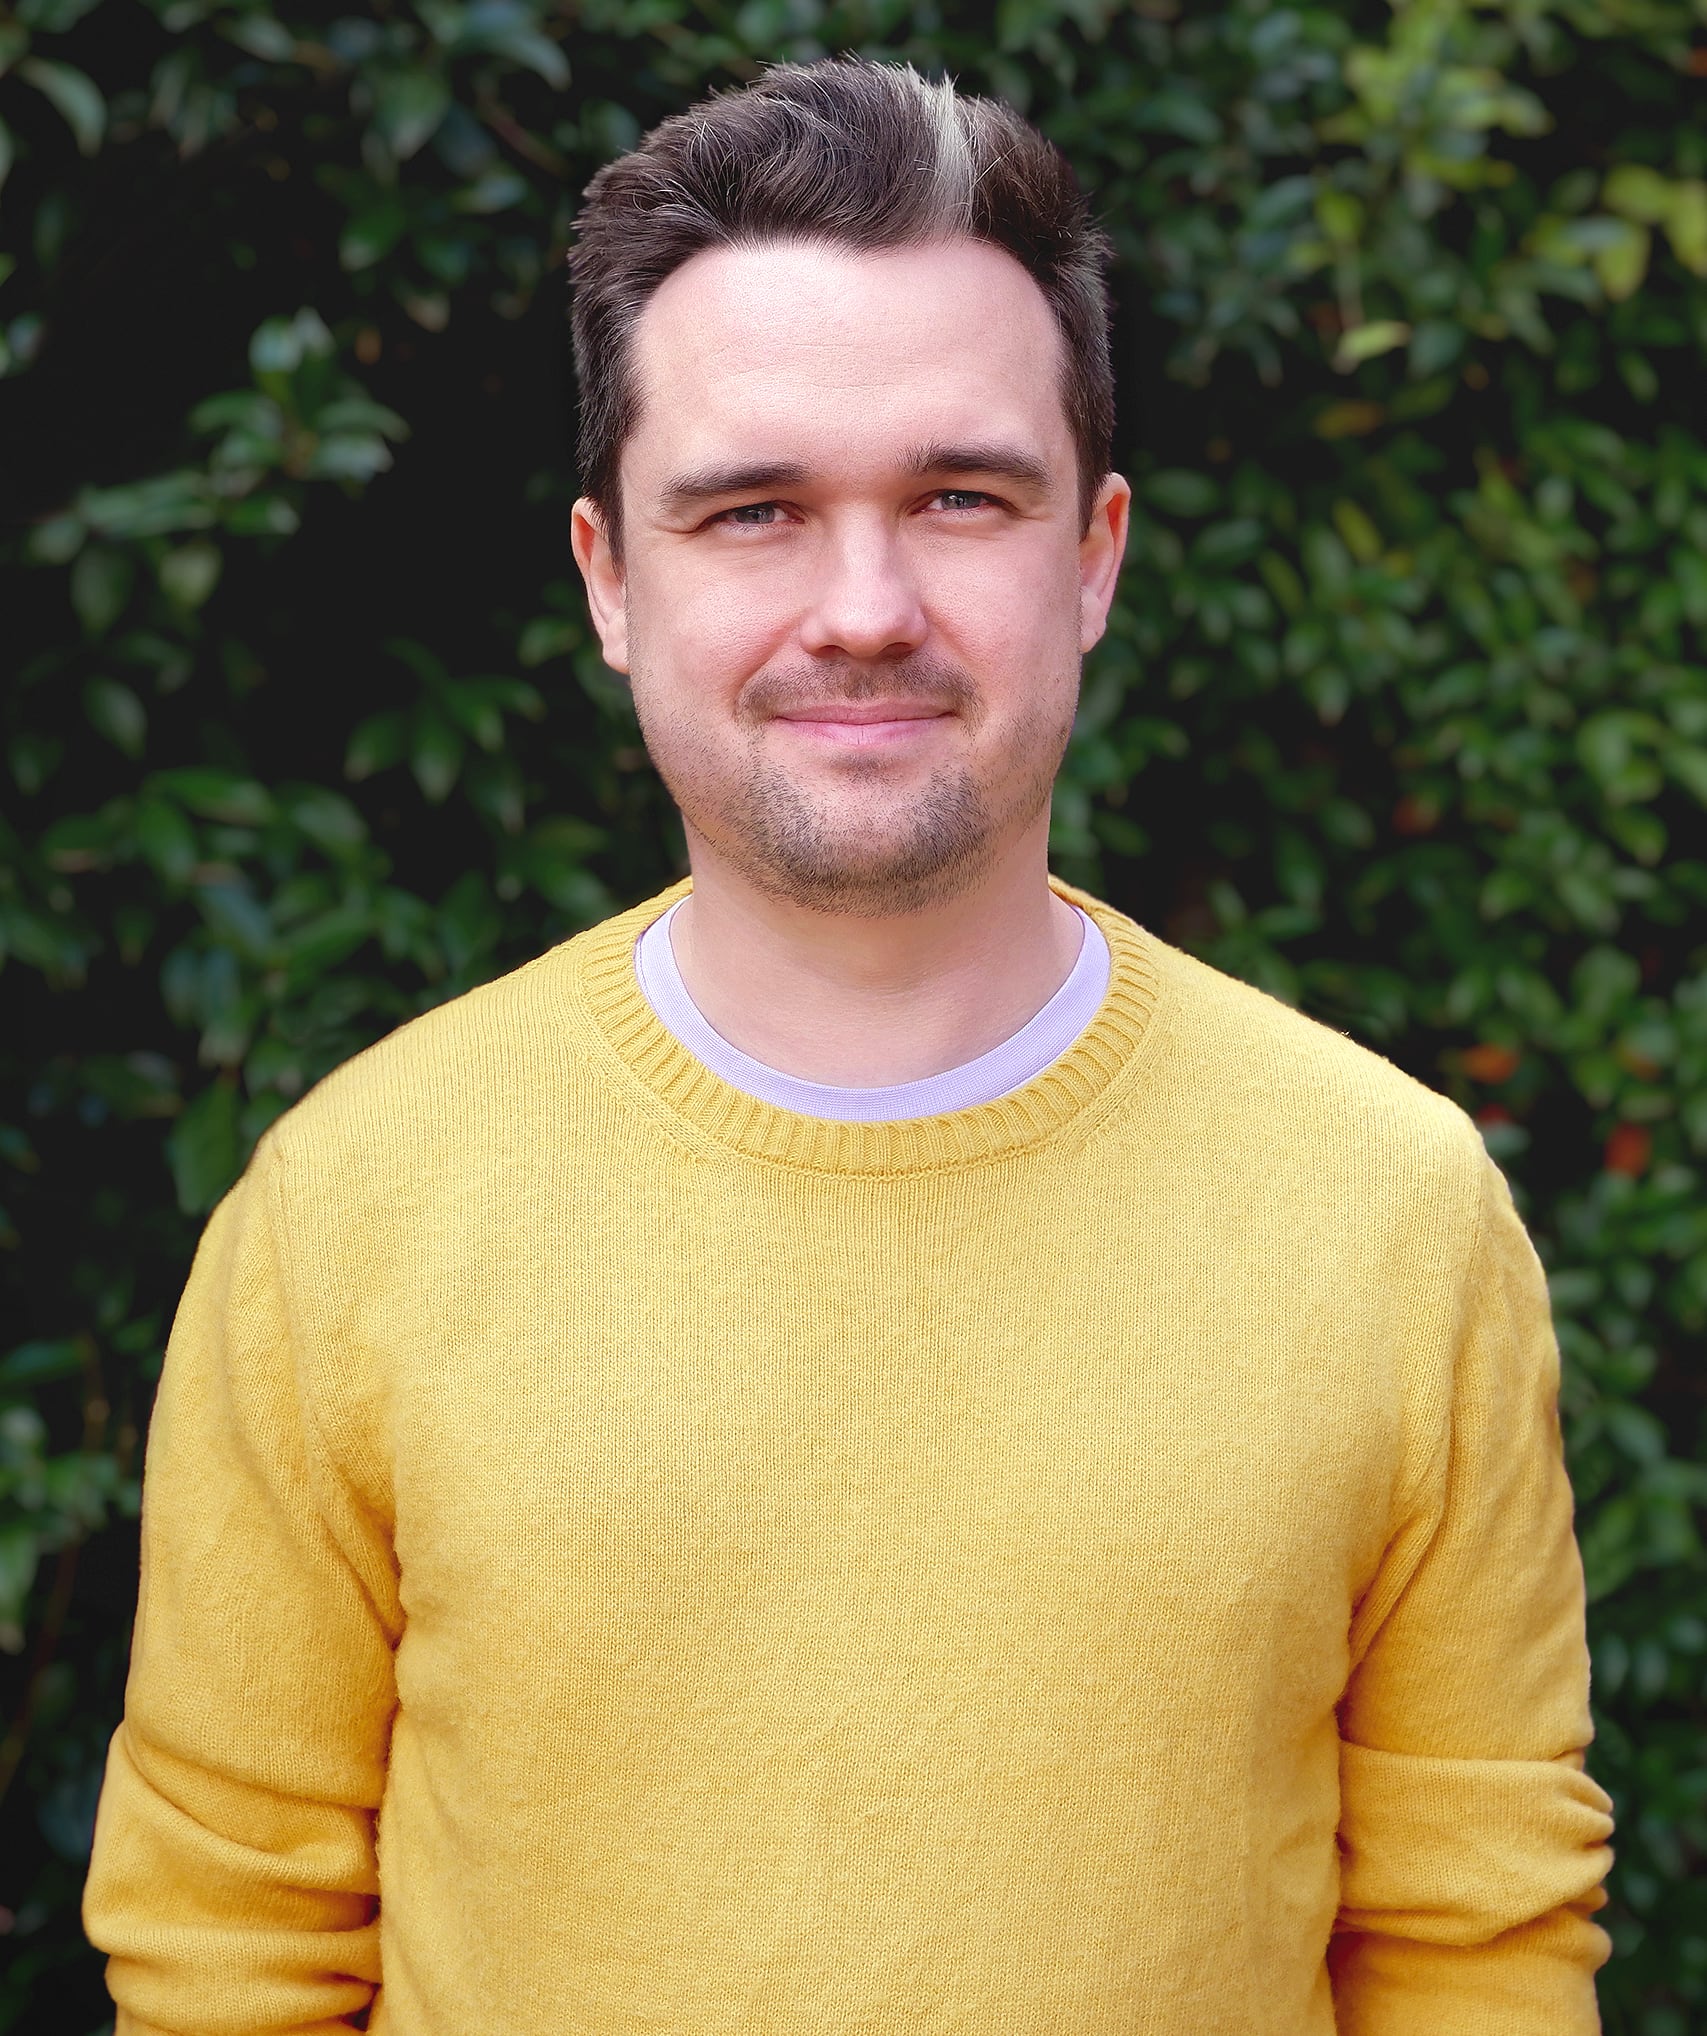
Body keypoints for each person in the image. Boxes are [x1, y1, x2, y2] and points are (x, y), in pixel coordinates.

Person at [84, 56, 1614, 2035]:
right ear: (609, 581)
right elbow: (228, 1954)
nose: (864, 606)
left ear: (1093, 552)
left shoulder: (1388, 1215)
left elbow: (1470, 1959)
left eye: (958, 496)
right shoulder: (348, 1218)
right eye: (752, 510)